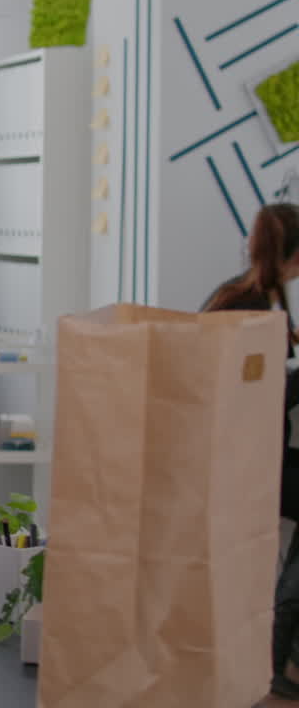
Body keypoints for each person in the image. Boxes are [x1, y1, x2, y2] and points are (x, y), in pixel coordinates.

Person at [201, 203, 299, 699]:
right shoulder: (253, 309)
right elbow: (260, 394)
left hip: (245, 452)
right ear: (291, 256)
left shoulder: (246, 294)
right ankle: (278, 651)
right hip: (246, 459)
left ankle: (282, 644)